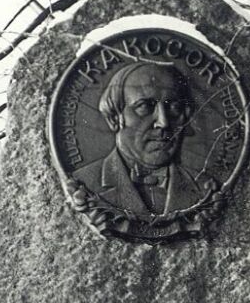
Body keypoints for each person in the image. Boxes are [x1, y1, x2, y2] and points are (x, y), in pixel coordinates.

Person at [74, 61, 209, 217]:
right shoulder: (84, 184)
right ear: (114, 118)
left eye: (174, 107)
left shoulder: (205, 187)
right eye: (145, 106)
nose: (163, 123)